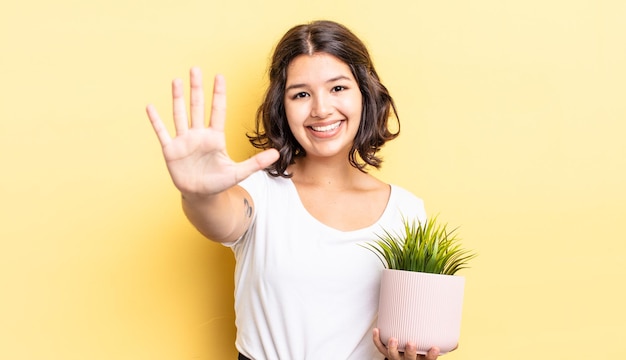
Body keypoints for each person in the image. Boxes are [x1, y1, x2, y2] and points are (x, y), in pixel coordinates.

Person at [146, 20, 443, 360]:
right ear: (281, 107)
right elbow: (220, 218)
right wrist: (198, 193)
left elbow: (412, 332)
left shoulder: (407, 212)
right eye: (301, 94)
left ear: (365, 92)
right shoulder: (258, 192)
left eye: (338, 88)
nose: (321, 109)